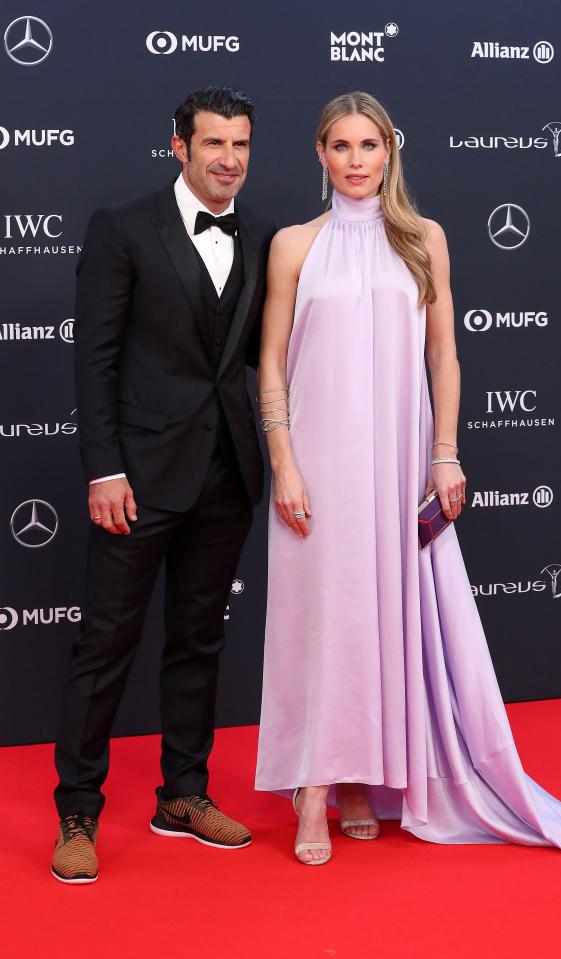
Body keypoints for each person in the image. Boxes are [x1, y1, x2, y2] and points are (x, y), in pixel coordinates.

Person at [254, 91, 561, 866]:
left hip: (398, 458)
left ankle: (366, 780)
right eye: (340, 146)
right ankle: (314, 786)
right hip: (319, 462)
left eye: (369, 145)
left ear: (391, 150)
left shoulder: (425, 239)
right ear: (319, 154)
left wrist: (445, 451)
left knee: (387, 615)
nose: (356, 161)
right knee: (323, 616)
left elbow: (443, 356)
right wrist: (283, 461)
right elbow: (270, 364)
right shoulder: (294, 244)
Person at [52, 86, 275, 884]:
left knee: (198, 642)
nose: (229, 160)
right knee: (105, 643)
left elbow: (264, 359)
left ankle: (183, 793)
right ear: (177, 146)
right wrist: (104, 467)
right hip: (137, 479)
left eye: (241, 144)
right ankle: (77, 808)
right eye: (213, 143)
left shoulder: (261, 238)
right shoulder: (122, 227)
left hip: (225, 477)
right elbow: (95, 359)